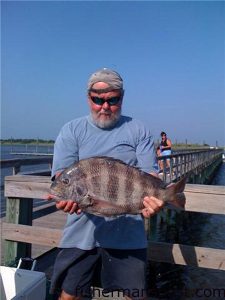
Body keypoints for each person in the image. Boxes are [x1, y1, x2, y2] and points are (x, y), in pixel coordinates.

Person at [47, 68, 164, 300]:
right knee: (70, 295)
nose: (105, 106)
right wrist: (63, 199)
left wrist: (158, 199)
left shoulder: (138, 130)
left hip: (128, 233)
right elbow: (62, 176)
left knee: (134, 295)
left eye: (113, 100)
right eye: (98, 99)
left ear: (122, 97)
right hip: (80, 235)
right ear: (88, 97)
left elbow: (151, 176)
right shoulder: (72, 130)